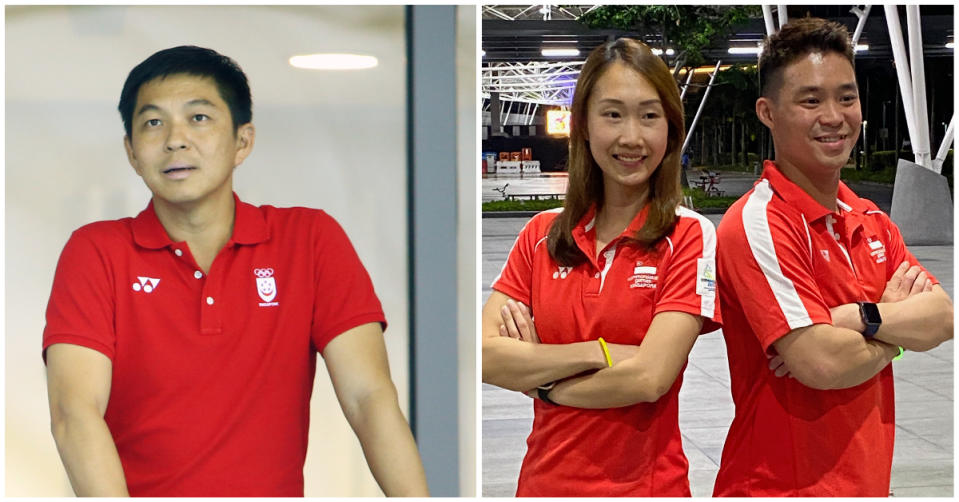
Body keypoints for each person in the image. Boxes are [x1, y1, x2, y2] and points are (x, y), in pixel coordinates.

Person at [42, 46, 428, 497]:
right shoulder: (97, 251)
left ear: (242, 141)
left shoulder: (310, 239)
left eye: (199, 118)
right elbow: (75, 413)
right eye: (153, 122)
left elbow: (369, 399)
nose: (175, 139)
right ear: (131, 151)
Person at [712, 18, 953, 496]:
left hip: (865, 480)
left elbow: (942, 318)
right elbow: (821, 363)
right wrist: (891, 327)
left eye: (846, 97)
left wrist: (858, 317)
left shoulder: (868, 218)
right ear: (768, 112)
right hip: (779, 486)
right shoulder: (759, 222)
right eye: (810, 100)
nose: (834, 116)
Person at [481, 38, 720, 496]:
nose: (631, 137)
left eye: (649, 116)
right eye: (613, 114)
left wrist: (543, 383)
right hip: (543, 484)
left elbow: (649, 378)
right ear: (584, 126)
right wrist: (600, 353)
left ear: (670, 128)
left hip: (647, 487)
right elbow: (484, 358)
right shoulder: (541, 235)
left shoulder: (687, 234)